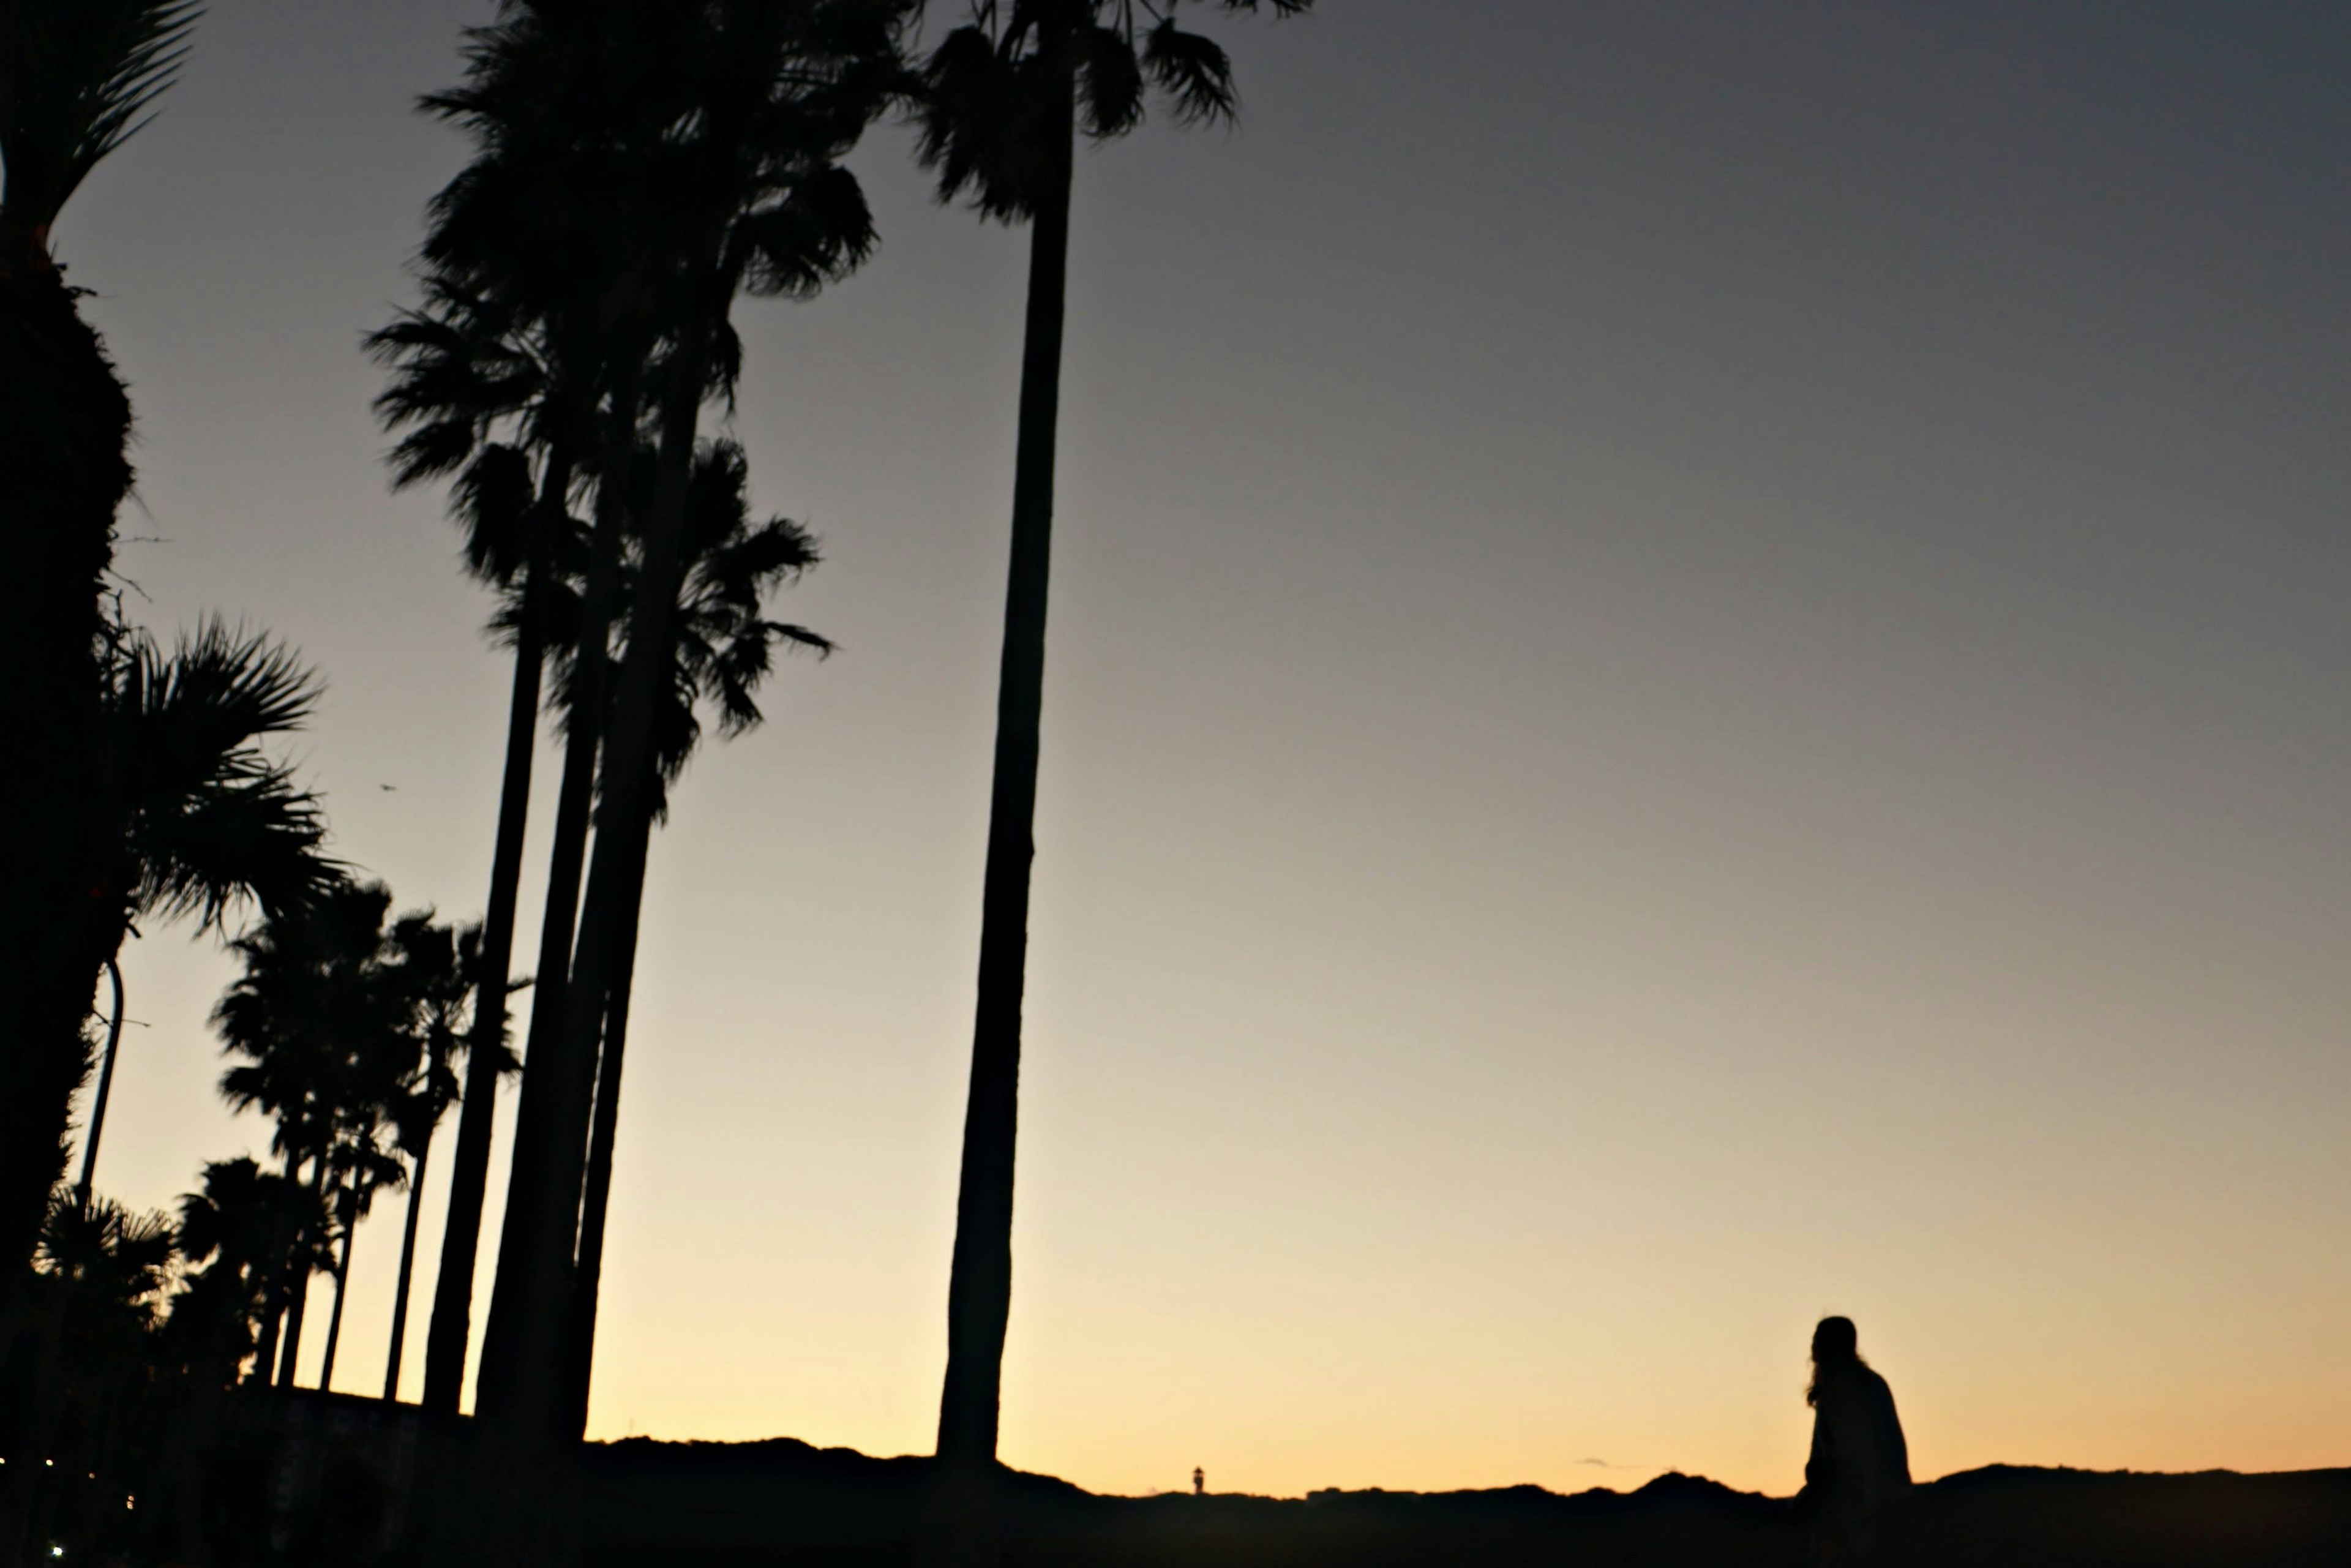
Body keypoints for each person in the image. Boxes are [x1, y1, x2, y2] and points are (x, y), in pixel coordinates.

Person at [1801, 1316, 1910, 1562]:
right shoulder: (1838, 1389)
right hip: (1847, 1491)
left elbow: (1873, 1450)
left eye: (1818, 1340)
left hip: (1861, 1495)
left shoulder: (1859, 1388)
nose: (1812, 1346)